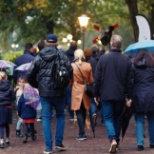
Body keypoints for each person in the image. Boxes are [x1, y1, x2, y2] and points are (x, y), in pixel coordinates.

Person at [27, 33, 73, 154]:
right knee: (60, 115)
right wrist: (64, 83)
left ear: (46, 42)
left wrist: (38, 85)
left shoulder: (39, 56)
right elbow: (70, 70)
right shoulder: (62, 55)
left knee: (46, 118)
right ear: (56, 43)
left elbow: (29, 75)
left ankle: (48, 147)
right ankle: (59, 143)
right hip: (59, 91)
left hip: (45, 92)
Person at [94, 34, 132, 153]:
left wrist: (96, 94)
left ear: (111, 44)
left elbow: (97, 79)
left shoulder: (103, 59)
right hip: (120, 94)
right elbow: (129, 80)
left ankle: (112, 140)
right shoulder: (126, 60)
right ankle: (117, 141)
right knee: (117, 118)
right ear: (120, 45)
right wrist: (129, 97)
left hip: (106, 93)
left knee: (108, 118)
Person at [132, 49, 154, 151]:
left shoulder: (134, 67)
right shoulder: (152, 67)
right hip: (151, 94)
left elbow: (131, 81)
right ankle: (152, 142)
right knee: (152, 119)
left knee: (139, 119)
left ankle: (140, 143)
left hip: (138, 95)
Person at [71, 49, 94, 140]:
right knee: (84, 110)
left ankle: (82, 133)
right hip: (85, 89)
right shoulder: (88, 66)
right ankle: (81, 132)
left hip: (76, 89)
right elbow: (91, 80)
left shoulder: (72, 66)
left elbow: (70, 80)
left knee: (78, 111)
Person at [0, 71, 16, 148]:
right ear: (6, 77)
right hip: (8, 107)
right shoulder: (10, 86)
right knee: (7, 124)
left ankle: (1, 140)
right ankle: (7, 139)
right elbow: (13, 98)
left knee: (1, 124)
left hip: (0, 107)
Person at [84, 48, 98, 126]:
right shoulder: (94, 61)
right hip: (95, 82)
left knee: (88, 99)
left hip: (88, 82)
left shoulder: (85, 63)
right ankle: (94, 113)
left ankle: (90, 113)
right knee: (93, 100)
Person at [65, 40, 78, 121]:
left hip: (68, 78)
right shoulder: (78, 54)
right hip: (76, 78)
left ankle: (71, 115)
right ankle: (76, 112)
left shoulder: (65, 54)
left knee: (69, 96)